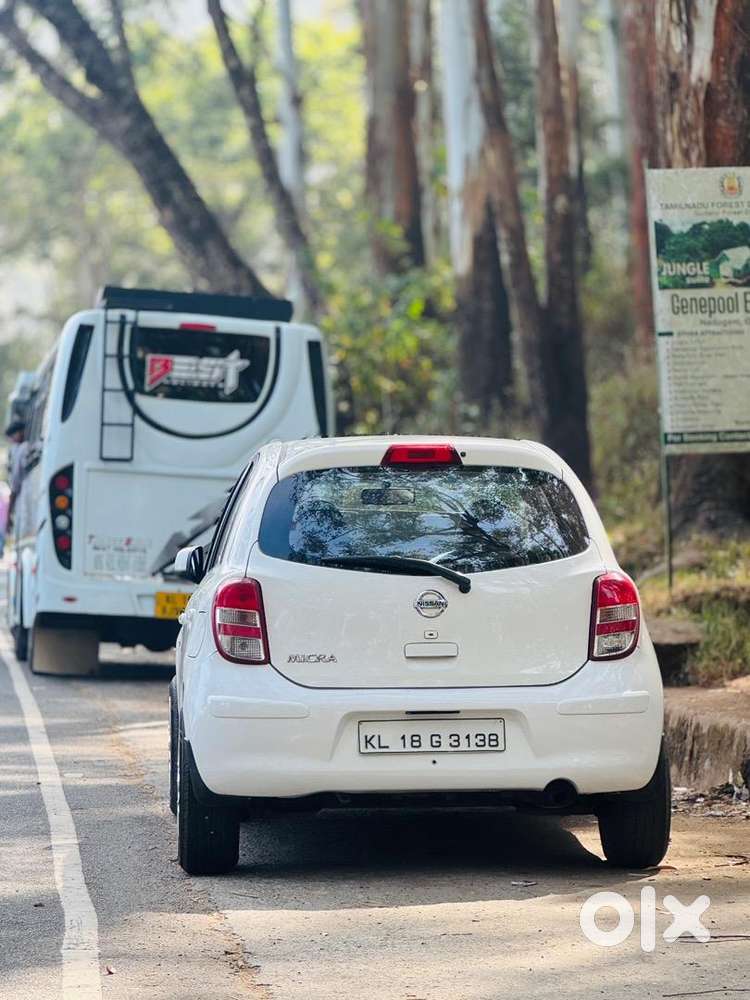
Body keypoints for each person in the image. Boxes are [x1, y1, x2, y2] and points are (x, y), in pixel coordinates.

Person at [5, 420, 27, 535]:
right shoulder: (18, 448)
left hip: (24, 501)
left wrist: (8, 515)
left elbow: (15, 482)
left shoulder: (21, 449)